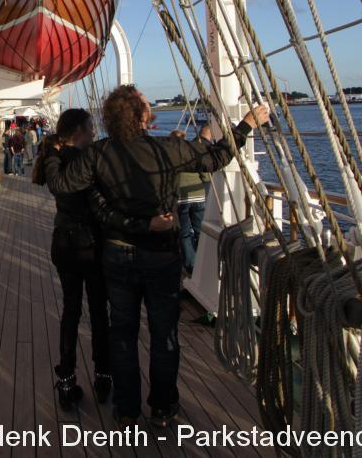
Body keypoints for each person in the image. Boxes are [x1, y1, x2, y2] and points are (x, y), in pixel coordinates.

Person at [42, 85, 269, 427]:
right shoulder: (167, 149)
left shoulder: (97, 153)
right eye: (146, 105)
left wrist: (53, 151)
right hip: (161, 257)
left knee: (123, 332)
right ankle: (163, 407)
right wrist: (246, 125)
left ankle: (127, 410)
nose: (150, 107)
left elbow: (62, 185)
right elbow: (217, 157)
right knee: (164, 333)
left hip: (117, 254)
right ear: (140, 116)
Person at [31, 109, 174, 410]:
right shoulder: (89, 161)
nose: (94, 133)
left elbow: (54, 183)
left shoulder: (55, 159)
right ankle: (103, 375)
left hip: (63, 244)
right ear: (79, 132)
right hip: (91, 246)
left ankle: (66, 380)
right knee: (98, 311)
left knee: (71, 310)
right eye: (90, 128)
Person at [170, 125, 212, 281]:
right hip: (198, 195)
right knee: (200, 230)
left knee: (185, 233)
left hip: (181, 199)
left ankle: (191, 265)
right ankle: (205, 261)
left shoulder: (169, 158)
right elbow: (205, 175)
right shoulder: (191, 154)